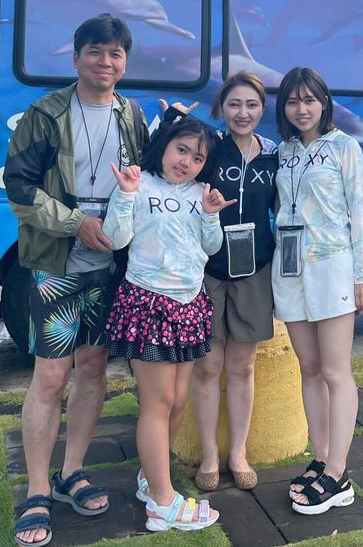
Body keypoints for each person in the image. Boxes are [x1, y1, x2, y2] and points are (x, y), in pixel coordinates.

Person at [5, 13, 194, 546]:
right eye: (95, 51)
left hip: (111, 264)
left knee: (92, 369)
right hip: (57, 261)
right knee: (50, 376)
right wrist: (77, 223)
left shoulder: (131, 115)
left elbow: (153, 170)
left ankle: (72, 472)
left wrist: (173, 128)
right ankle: (37, 490)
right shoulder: (45, 114)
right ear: (76, 57)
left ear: (125, 62)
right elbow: (18, 188)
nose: (105, 62)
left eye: (115, 53)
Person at [103, 117, 231, 532]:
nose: (187, 162)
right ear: (164, 146)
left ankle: (151, 479)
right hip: (147, 302)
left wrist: (209, 215)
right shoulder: (139, 184)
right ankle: (162, 502)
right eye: (181, 150)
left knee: (177, 402)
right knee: (157, 404)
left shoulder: (200, 194)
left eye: (198, 158)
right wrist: (125, 194)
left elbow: (211, 247)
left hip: (189, 305)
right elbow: (115, 238)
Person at [272, 67, 363, 515]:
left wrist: (362, 275)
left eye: (309, 100)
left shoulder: (345, 147)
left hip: (333, 268)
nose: (301, 109)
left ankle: (337, 472)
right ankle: (321, 457)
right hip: (289, 269)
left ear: (324, 102)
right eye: (293, 101)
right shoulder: (282, 151)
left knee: (335, 372)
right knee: (309, 369)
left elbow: (358, 213)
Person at [190, 71, 279, 492]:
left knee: (242, 366)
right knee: (208, 365)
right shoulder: (208, 149)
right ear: (221, 108)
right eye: (234, 104)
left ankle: (238, 453)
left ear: (262, 109)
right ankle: (210, 455)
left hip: (255, 270)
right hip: (208, 269)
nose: (243, 113)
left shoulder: (274, 155)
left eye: (252, 105)